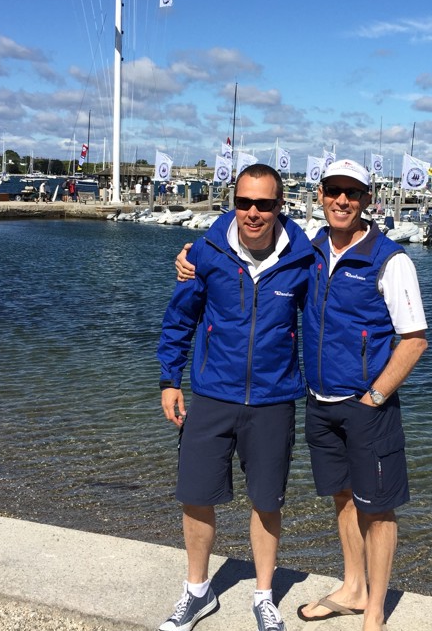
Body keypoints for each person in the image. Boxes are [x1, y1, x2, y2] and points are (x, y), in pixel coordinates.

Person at [176, 159, 428, 631]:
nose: (342, 200)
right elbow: (247, 250)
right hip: (317, 399)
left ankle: (374, 611)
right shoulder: (308, 252)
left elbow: (414, 339)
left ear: (368, 200)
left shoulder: (390, 259)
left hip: (366, 403)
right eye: (334, 190)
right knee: (344, 497)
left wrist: (375, 395)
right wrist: (191, 257)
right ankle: (354, 587)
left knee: (379, 505)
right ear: (319, 195)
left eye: (353, 193)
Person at [157, 163, 315, 631]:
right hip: (211, 395)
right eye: (244, 202)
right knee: (196, 496)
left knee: (267, 502)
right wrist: (170, 380)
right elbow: (179, 319)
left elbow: (332, 320)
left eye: (264, 204)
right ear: (234, 203)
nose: (253, 212)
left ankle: (264, 596)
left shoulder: (303, 259)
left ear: (279, 207)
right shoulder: (206, 254)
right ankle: (197, 592)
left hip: (273, 399)